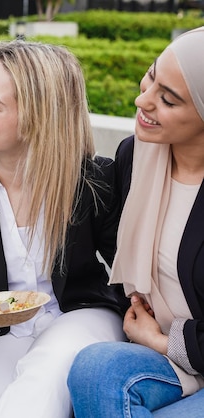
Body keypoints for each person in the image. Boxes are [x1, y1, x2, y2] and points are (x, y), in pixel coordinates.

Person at [0, 40, 128, 418]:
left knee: (45, 371)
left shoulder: (94, 180)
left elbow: (131, 268)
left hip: (78, 315)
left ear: (39, 117)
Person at [67, 26, 204, 417]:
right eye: (150, 74)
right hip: (171, 360)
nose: (141, 99)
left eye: (168, 100)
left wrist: (163, 342)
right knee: (94, 371)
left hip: (172, 347)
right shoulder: (136, 155)